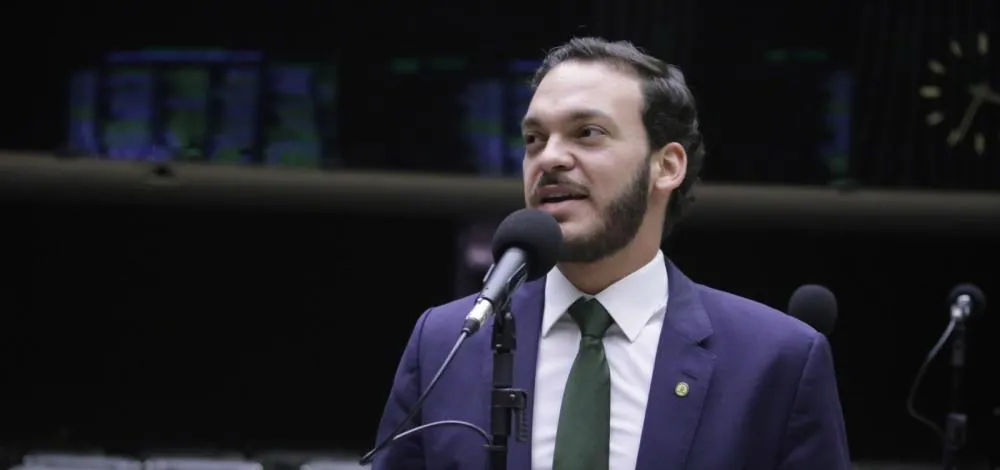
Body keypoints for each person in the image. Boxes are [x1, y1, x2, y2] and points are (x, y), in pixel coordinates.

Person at [371, 37, 851, 470]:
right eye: (534, 139)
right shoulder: (447, 343)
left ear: (667, 166)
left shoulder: (775, 360)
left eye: (587, 133)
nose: (549, 157)